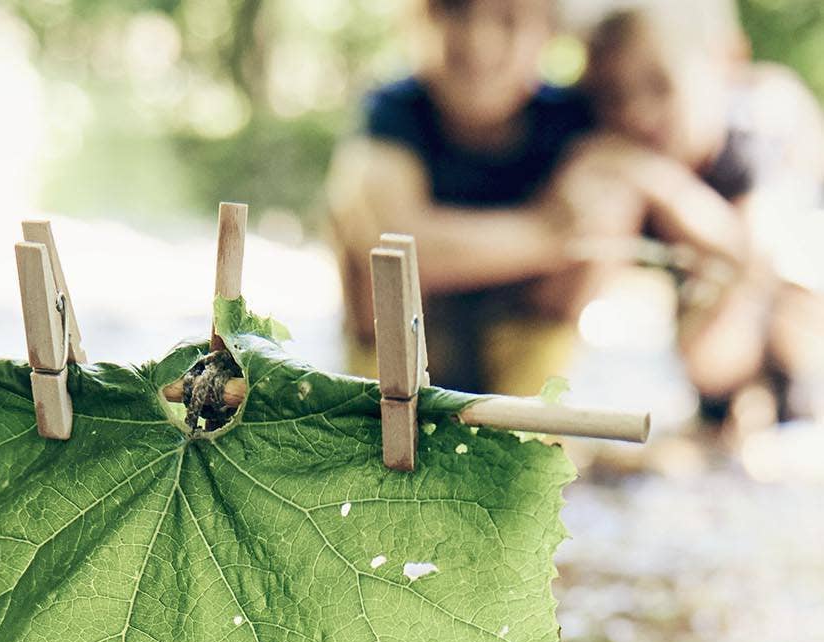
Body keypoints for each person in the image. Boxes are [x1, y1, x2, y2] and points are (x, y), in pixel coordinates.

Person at [326, 0, 752, 397]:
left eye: (509, 19)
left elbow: (715, 235)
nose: (479, 41)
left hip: (520, 345)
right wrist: (550, 233)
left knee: (606, 194)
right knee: (357, 211)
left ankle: (531, 412)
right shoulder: (394, 112)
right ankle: (381, 409)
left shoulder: (570, 123)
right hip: (414, 350)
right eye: (456, 9)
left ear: (547, 30)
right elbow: (394, 243)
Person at [583, 4, 824, 426]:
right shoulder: (639, 153)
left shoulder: (756, 127)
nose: (637, 112)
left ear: (720, 65)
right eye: (614, 96)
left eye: (659, 85)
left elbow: (751, 259)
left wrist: (662, 186)